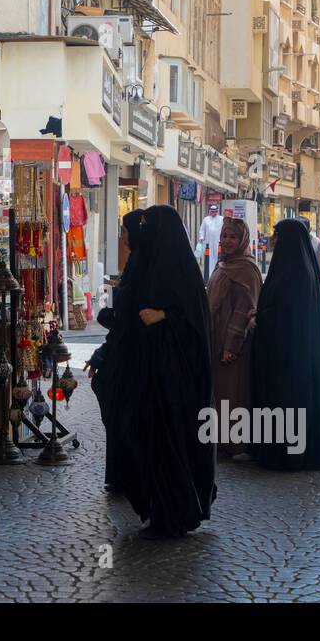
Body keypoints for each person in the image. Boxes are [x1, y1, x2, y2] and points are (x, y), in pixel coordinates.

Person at [107, 205, 216, 538]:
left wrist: (166, 316)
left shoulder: (181, 274)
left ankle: (174, 513)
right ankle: (158, 510)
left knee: (170, 444)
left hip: (174, 382)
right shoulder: (146, 266)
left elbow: (196, 324)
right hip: (148, 376)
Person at [251, 218, 320, 471]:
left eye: (276, 234)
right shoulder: (297, 268)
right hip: (295, 352)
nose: (272, 238)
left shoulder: (293, 272)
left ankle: (287, 451)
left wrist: (258, 318)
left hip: (290, 355)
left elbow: (284, 314)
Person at [86, 208, 144, 489]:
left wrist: (109, 306)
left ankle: (128, 477)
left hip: (132, 361)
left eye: (124, 232)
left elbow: (124, 317)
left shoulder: (143, 268)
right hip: (125, 355)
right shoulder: (139, 264)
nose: (122, 238)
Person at [207, 217, 261, 459]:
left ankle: (237, 443)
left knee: (234, 390)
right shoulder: (224, 264)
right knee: (220, 391)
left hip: (232, 343)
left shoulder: (246, 268)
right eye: (225, 236)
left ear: (242, 241)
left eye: (233, 237)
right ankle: (221, 439)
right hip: (215, 337)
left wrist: (231, 345)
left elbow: (244, 309)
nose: (228, 241)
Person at [198, 203, 224, 279]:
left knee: (217, 257)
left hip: (217, 242)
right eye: (212, 211)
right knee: (208, 258)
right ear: (210, 211)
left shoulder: (221, 219)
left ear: (217, 211)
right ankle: (209, 275)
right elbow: (202, 230)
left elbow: (224, 230)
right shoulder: (206, 219)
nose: (214, 213)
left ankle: (217, 274)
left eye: (215, 211)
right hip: (208, 242)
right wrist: (201, 237)